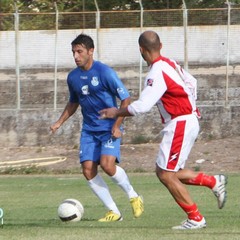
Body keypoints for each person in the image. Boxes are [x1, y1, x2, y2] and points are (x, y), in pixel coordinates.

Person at [99, 30, 227, 229]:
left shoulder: (156, 72)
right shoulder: (170, 63)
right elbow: (192, 83)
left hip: (180, 123)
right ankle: (212, 181)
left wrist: (116, 112)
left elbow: (142, 106)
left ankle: (196, 218)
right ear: (161, 45)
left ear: (141, 50)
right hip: (186, 120)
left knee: (166, 174)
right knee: (168, 171)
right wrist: (191, 108)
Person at [50, 33, 144, 222]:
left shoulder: (104, 72)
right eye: (73, 52)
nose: (76, 56)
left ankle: (134, 196)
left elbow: (125, 99)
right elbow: (73, 102)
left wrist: (118, 124)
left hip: (109, 127)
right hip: (89, 130)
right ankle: (114, 212)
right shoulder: (73, 77)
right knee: (88, 170)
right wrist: (59, 122)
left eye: (80, 51)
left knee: (108, 165)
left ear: (90, 51)